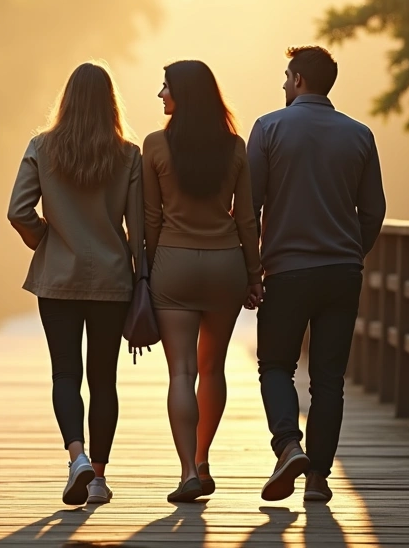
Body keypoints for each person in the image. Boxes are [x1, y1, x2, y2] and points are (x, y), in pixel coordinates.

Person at [249, 46, 386, 503]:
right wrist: (351, 252)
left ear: (300, 79)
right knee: (329, 378)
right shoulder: (360, 135)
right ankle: (319, 478)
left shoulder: (269, 128)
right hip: (342, 272)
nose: (284, 85)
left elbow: (249, 209)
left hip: (286, 271)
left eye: (287, 76)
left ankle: (288, 445)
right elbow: (373, 211)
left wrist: (253, 268)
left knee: (274, 366)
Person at [7, 61, 143, 507]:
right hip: (111, 279)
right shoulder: (128, 154)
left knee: (66, 372)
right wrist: (141, 273)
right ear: (110, 104)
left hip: (58, 278)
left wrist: (46, 238)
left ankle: (76, 457)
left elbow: (18, 211)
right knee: (104, 378)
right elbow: (139, 228)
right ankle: (99, 478)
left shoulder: (42, 147)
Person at [142, 60, 262, 503]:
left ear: (183, 95)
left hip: (173, 265)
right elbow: (247, 219)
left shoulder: (154, 146)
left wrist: (150, 270)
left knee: (181, 371)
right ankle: (204, 457)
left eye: (166, 87)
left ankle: (188, 470)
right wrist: (254, 275)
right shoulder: (234, 148)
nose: (160, 94)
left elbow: (150, 218)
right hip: (225, 267)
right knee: (212, 368)